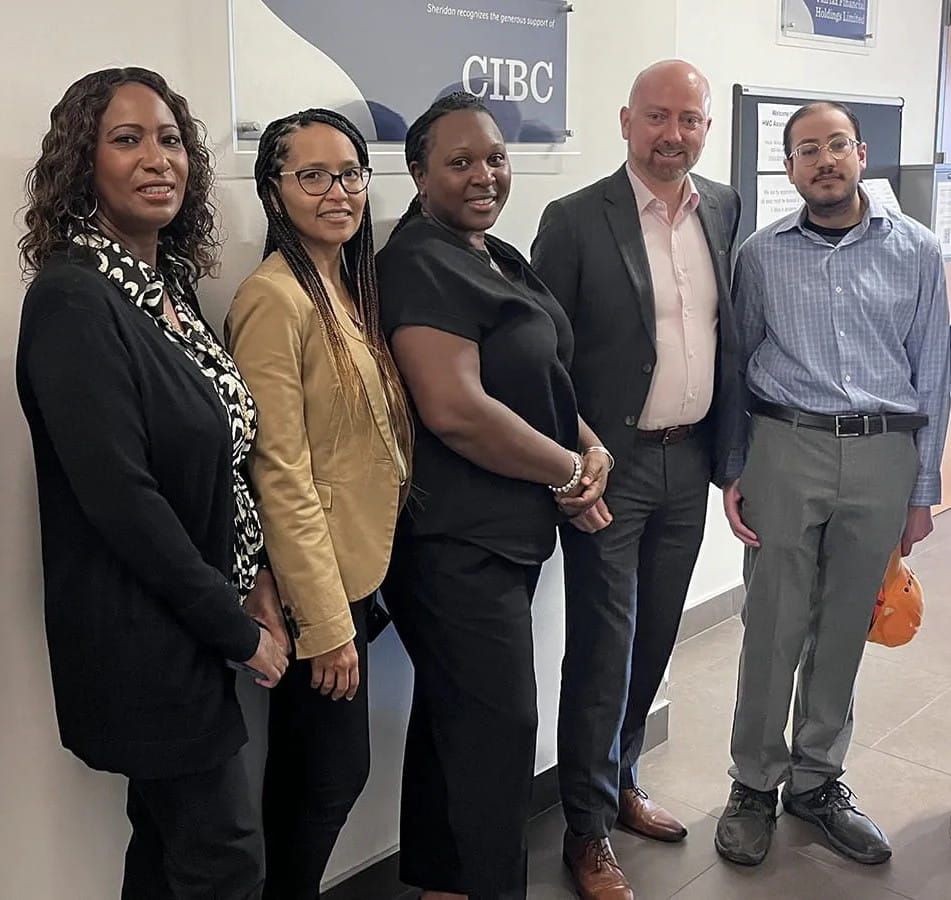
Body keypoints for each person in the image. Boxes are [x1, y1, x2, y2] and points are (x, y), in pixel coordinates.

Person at [15, 67, 289, 899]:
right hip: (144, 636)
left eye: (169, 139)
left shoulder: (163, 288)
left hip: (198, 615)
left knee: (170, 854)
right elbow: (123, 502)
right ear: (80, 163)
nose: (157, 158)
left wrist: (258, 580)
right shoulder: (72, 299)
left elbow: (221, 459)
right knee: (224, 859)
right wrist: (234, 628)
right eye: (126, 140)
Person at [376, 92, 610, 900]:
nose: (485, 175)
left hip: (503, 538)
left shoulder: (495, 253)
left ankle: (443, 885)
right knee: (499, 734)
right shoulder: (415, 262)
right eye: (460, 161)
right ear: (417, 173)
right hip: (452, 547)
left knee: (455, 723)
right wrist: (567, 471)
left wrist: (586, 443)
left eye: (496, 157)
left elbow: (533, 374)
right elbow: (459, 412)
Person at [714, 101, 950, 868]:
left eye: (836, 146)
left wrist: (920, 492)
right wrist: (735, 470)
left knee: (845, 625)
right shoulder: (759, 254)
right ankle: (752, 782)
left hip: (882, 455)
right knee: (773, 626)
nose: (824, 160)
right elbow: (737, 361)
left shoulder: (916, 251)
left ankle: (816, 781)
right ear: (789, 169)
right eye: (806, 149)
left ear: (861, 153)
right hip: (786, 446)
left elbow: (933, 376)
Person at [531, 60, 741, 899]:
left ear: (704, 130)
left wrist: (732, 460)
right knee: (602, 650)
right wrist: (572, 459)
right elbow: (540, 358)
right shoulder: (575, 219)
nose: (673, 136)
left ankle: (617, 783)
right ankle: (584, 833)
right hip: (610, 466)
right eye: (657, 118)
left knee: (656, 635)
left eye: (687, 120)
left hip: (688, 462)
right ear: (625, 122)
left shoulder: (721, 208)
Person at [226, 108, 413, 899]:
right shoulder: (275, 299)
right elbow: (279, 472)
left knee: (319, 775)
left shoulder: (342, 283)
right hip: (318, 587)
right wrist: (326, 624)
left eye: (350, 174)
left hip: (361, 567)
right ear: (275, 191)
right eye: (311, 176)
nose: (337, 192)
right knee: (325, 779)